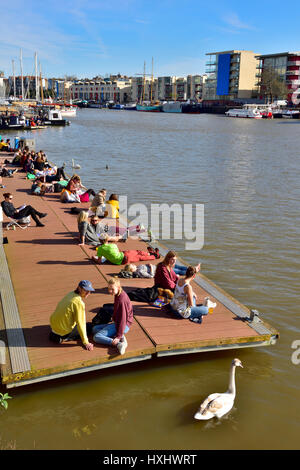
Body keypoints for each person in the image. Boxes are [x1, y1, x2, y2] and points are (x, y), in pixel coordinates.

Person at [49, 280, 94, 350]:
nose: (88, 293)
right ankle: (63, 338)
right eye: (86, 290)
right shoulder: (79, 303)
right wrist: (86, 342)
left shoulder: (70, 294)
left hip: (54, 327)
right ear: (79, 288)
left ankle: (56, 334)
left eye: (90, 291)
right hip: (63, 332)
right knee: (89, 327)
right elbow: (81, 323)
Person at [92, 278, 133, 355]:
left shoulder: (122, 300)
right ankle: (119, 336)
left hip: (123, 325)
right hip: (117, 323)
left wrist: (118, 336)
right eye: (109, 289)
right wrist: (114, 317)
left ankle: (119, 343)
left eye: (112, 289)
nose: (110, 291)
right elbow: (116, 310)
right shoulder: (118, 294)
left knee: (96, 337)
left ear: (118, 287)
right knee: (94, 329)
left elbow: (123, 319)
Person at [92, 234, 159, 265]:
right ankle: (152, 254)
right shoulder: (113, 245)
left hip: (122, 260)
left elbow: (99, 261)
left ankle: (152, 255)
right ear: (107, 239)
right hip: (124, 255)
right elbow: (116, 251)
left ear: (100, 240)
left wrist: (94, 258)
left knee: (140, 257)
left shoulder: (100, 249)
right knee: (137, 252)